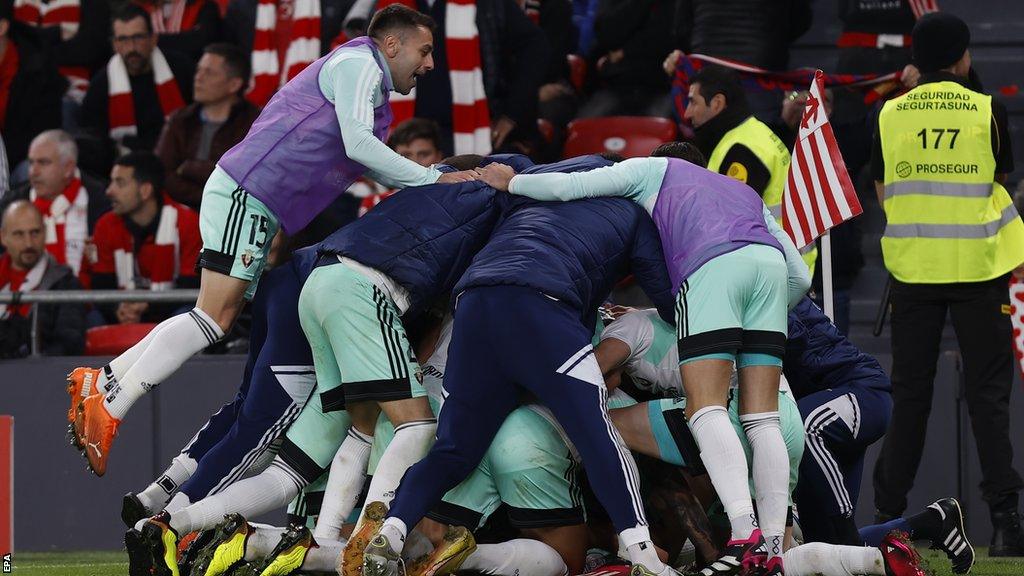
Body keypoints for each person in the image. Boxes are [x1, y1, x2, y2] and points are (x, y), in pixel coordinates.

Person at [67, 5, 476, 478]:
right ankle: (110, 400)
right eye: (424, 51)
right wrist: (433, 180)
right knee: (213, 318)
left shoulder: (366, 86)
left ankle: (106, 382)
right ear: (391, 44)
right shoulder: (360, 64)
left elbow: (365, 158)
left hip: (253, 198)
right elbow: (360, 147)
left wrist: (425, 183)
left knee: (212, 316)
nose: (429, 64)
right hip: (249, 192)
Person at [476, 143, 811, 576]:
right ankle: (771, 548)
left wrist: (513, 181)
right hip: (769, 270)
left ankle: (743, 537)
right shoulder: (739, 190)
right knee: (761, 419)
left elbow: (570, 186)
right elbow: (799, 276)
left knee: (705, 409)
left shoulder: (651, 169)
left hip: (712, 266)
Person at [362, 153, 679, 576]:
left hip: (474, 303)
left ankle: (393, 530)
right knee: (595, 433)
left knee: (453, 451)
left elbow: (474, 175)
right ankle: (642, 553)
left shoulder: (531, 177)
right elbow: (668, 299)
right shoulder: (634, 210)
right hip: (540, 308)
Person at [870, 12, 1024, 558]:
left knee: (910, 397)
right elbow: (998, 180)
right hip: (980, 271)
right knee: (989, 398)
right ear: (963, 57)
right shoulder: (990, 110)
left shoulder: (890, 113)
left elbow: (883, 189)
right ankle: (1006, 524)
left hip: (914, 271)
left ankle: (886, 519)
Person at [359, 0, 549, 155]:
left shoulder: (488, 4)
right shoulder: (385, 8)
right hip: (404, 136)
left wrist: (511, 114)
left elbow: (534, 47)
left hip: (471, 133)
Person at [682, 65, 815, 275]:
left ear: (717, 103)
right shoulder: (751, 135)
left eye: (692, 101)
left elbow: (733, 230)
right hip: (784, 270)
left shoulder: (742, 149)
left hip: (773, 277)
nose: (687, 112)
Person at [87, 152, 201, 327]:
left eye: (120, 183)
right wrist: (118, 309)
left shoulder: (188, 223)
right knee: (91, 318)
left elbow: (191, 288)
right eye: (112, 182)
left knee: (186, 315)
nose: (109, 191)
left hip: (169, 315)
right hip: (123, 315)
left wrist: (147, 307)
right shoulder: (105, 225)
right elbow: (101, 285)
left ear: (145, 190)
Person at [78, 4, 193, 155]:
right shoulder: (101, 84)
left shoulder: (181, 69)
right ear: (115, 45)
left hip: (176, 158)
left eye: (137, 37)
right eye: (123, 39)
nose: (131, 47)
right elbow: (93, 138)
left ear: (153, 39)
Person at [155, 42, 260, 209]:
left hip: (233, 213)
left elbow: (244, 179)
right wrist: (209, 197)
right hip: (178, 215)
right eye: (198, 70)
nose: (198, 77)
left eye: (209, 73)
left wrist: (189, 168)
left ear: (234, 84)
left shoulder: (255, 124)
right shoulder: (180, 119)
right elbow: (161, 174)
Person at [2, 130, 109, 282]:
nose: (34, 172)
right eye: (31, 162)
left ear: (68, 168)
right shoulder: (10, 205)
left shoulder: (102, 201)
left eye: (43, 162)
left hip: (89, 301)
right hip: (26, 301)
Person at [224, 0, 355, 107]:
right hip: (253, 105)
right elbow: (232, 55)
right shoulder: (242, 6)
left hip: (315, 105)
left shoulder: (339, 4)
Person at [0, 200, 85, 357]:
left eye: (35, 233)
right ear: (3, 237)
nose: (28, 243)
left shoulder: (66, 283)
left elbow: (69, 344)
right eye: (19, 234)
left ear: (45, 232)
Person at [10, 0, 111, 126]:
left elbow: (89, 48)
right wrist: (57, 33)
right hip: (19, 89)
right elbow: (12, 38)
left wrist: (36, 46)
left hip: (70, 91)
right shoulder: (15, 4)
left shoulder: (91, 4)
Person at [577, 0, 676, 119]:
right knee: (584, 131)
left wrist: (625, 51)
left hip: (662, 86)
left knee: (663, 128)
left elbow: (667, 38)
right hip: (616, 85)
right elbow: (606, 35)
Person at [0, 0, 65, 169]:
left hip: (21, 160)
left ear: (2, 27)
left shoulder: (37, 69)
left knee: (30, 170)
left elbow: (42, 134)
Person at [136, 0, 223, 61]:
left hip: (190, 73)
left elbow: (200, 42)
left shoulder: (205, 6)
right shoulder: (139, 8)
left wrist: (154, 40)